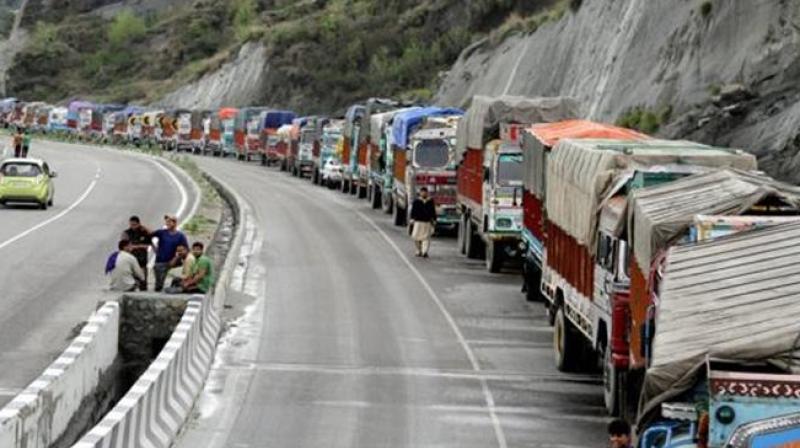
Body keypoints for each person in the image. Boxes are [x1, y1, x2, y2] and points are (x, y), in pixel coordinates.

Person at [151, 214, 188, 292]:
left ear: (174, 223)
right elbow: (149, 235)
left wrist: (177, 257)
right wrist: (154, 247)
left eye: (169, 222)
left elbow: (186, 249)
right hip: (159, 262)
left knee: (171, 281)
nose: (167, 224)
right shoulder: (161, 233)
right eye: (166, 222)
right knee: (158, 285)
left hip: (172, 263)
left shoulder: (180, 236)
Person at [120, 216, 152, 291]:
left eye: (134, 225)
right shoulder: (127, 233)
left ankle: (143, 289)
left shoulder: (144, 232)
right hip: (130, 259)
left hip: (142, 260)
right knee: (131, 280)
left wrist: (136, 246)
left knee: (143, 280)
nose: (132, 226)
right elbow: (123, 245)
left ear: (138, 224)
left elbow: (149, 243)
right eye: (131, 224)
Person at [409, 187, 436, 257]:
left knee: (426, 238)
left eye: (425, 192)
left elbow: (433, 211)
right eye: (422, 192)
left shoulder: (430, 201)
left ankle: (424, 251)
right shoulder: (416, 201)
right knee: (416, 237)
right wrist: (412, 219)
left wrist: (434, 220)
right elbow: (413, 211)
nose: (424, 193)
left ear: (427, 193)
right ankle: (419, 250)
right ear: (420, 193)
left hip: (427, 222)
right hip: (418, 222)